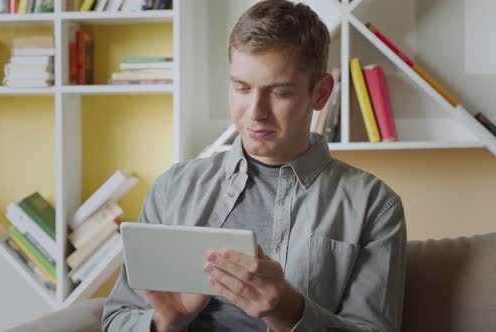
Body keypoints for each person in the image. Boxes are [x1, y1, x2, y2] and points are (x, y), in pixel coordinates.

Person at [102, 0, 406, 331]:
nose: (255, 112)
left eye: (279, 92)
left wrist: (290, 311)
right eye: (242, 88)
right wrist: (164, 322)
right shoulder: (173, 188)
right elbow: (117, 319)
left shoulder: (374, 206)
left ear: (320, 93)